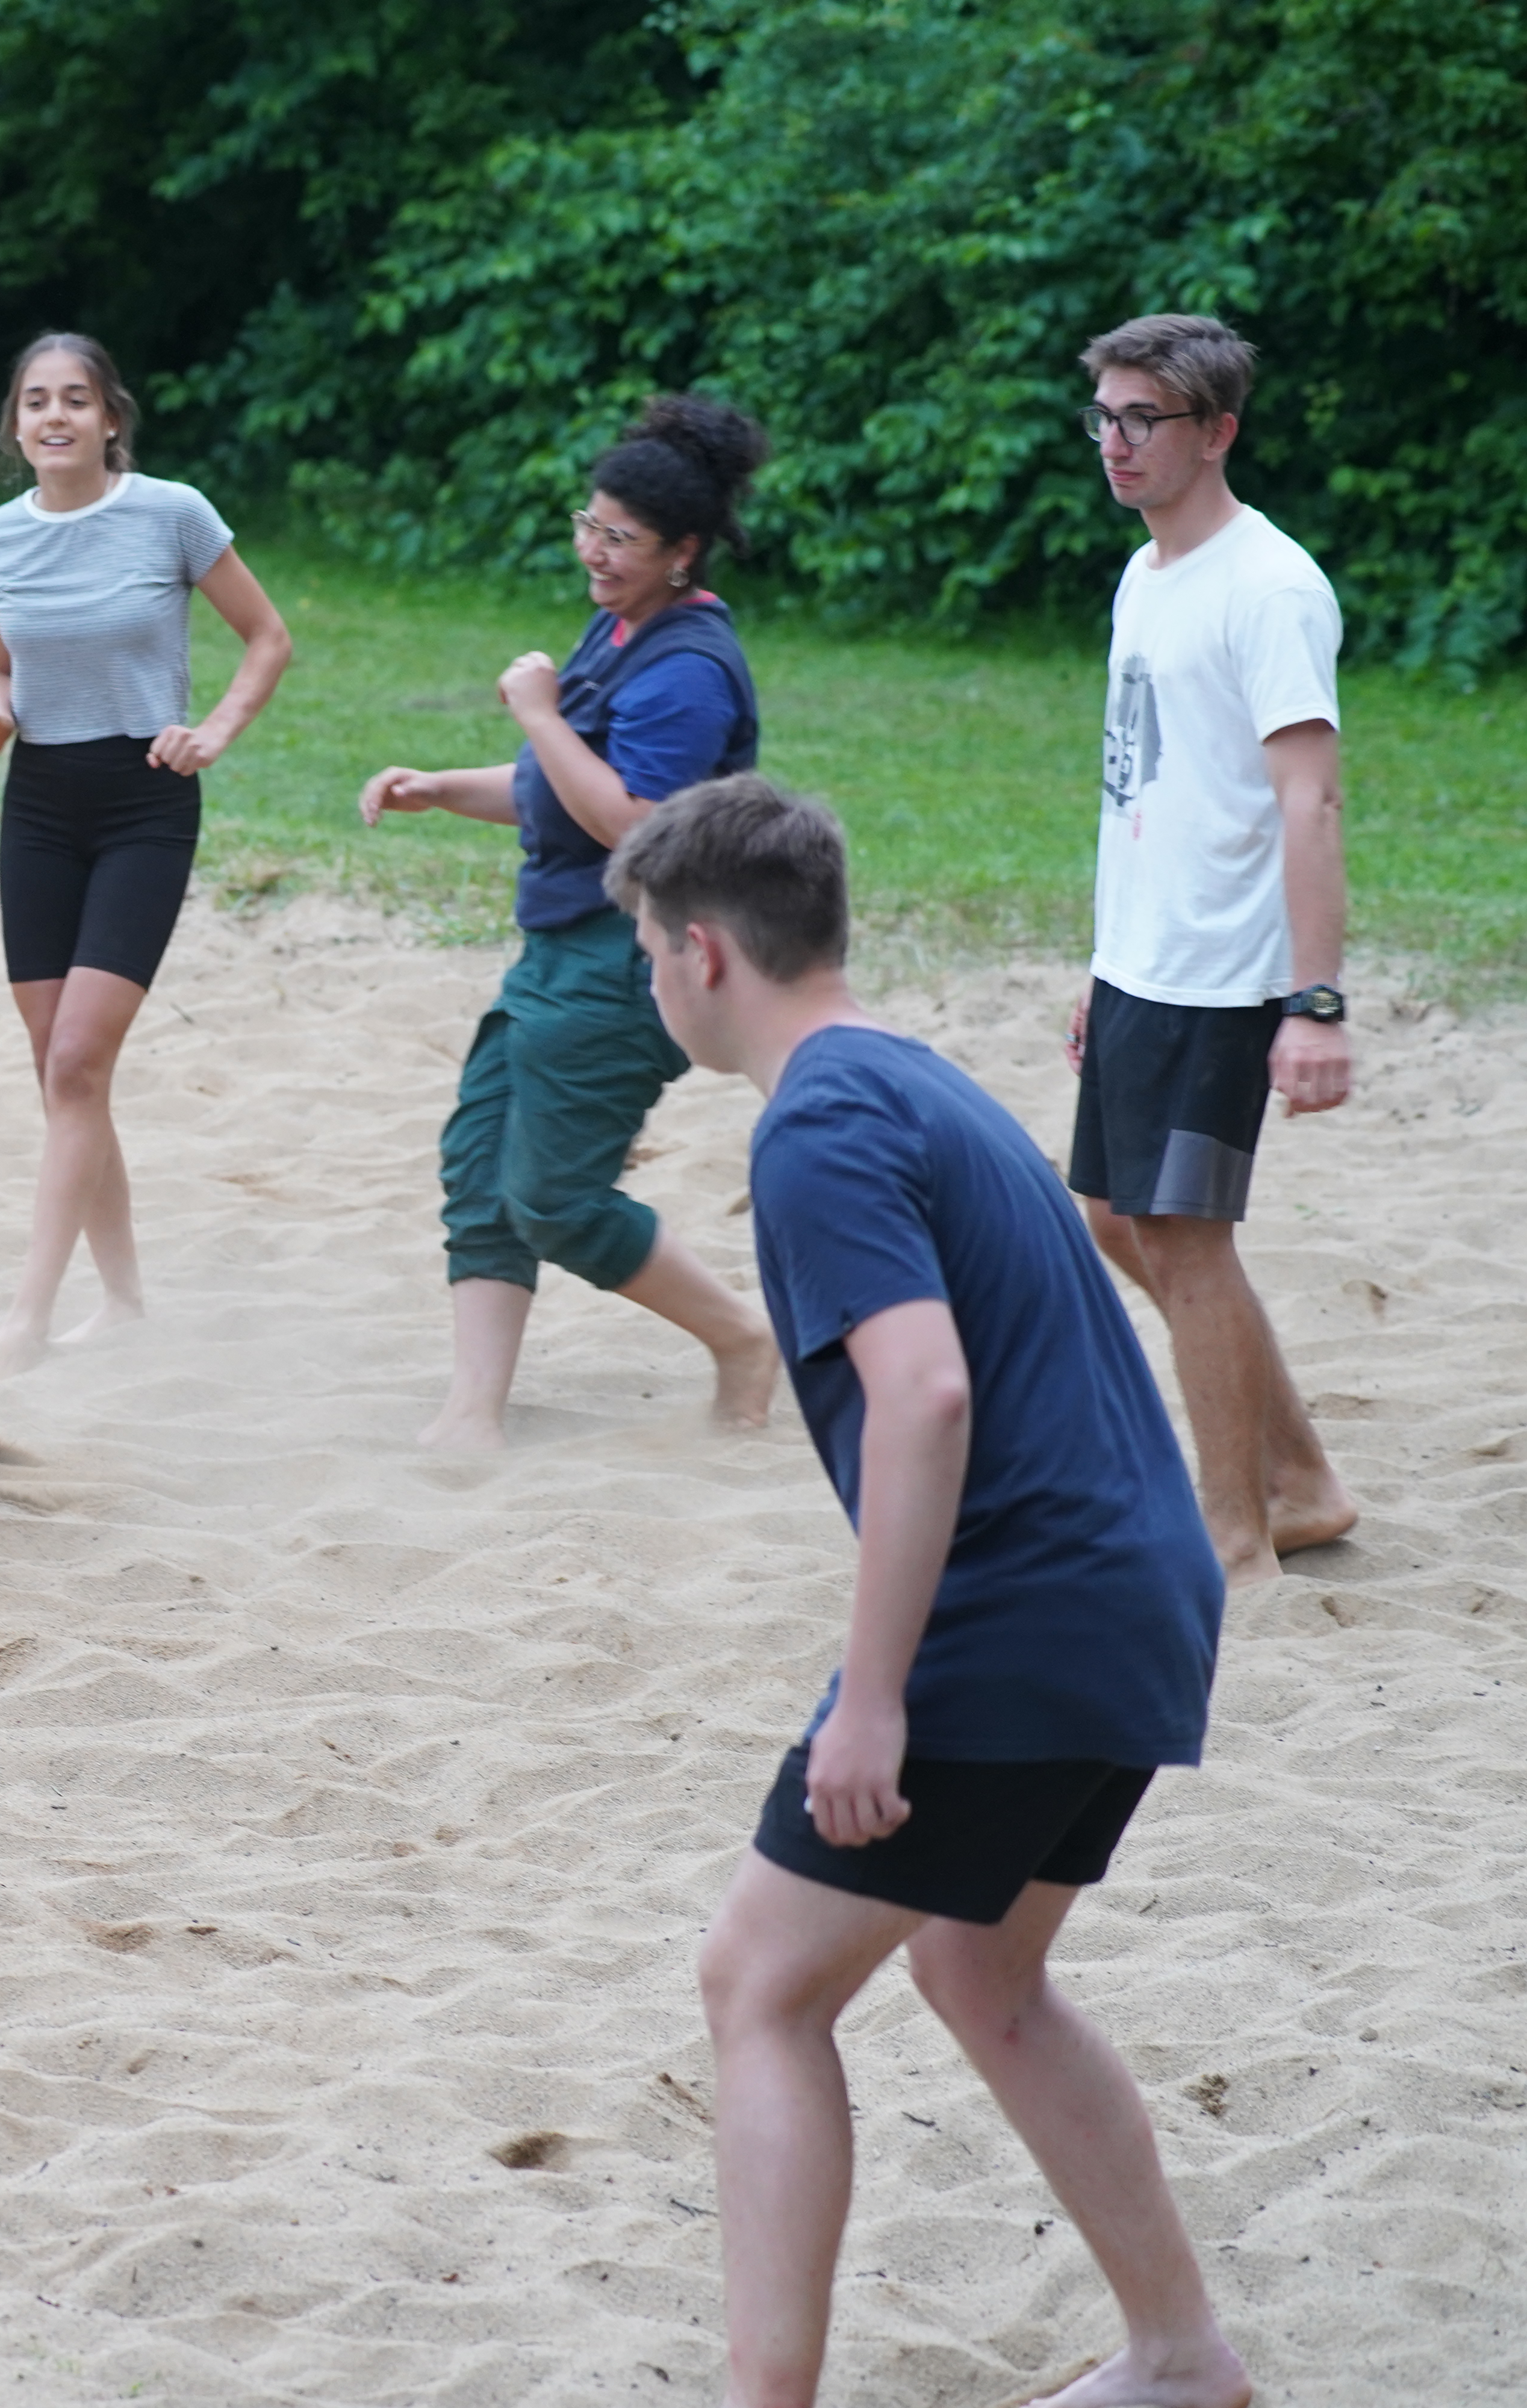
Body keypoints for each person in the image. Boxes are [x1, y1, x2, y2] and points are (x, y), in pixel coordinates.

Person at [614, 775, 1249, 2408]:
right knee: (980, 1966)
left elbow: (929, 1396)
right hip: (1140, 1595)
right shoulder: (907, 1076)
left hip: (1028, 1607)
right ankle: (1181, 2358)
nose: (644, 982)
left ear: (699, 954)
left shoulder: (818, 1122)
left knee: (759, 1982)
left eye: (640, 952)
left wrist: (877, 1695)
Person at [357, 393, 779, 1450]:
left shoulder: (685, 667)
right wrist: (443, 787)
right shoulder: (624, 628)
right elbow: (562, 784)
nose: (593, 549)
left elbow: (634, 822)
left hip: (628, 962)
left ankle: (741, 1338)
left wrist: (539, 711)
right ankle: (475, 1407)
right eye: (589, 524)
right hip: (558, 948)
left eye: (620, 537)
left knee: (552, 1193)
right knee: (481, 1159)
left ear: (683, 551)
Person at [1066, 312, 1358, 1587]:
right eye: (1107, 417)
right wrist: (1101, 967)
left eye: (1146, 420)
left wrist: (1317, 1002)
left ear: (1217, 432)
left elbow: (1312, 800)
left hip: (1228, 979)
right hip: (1144, 965)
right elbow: (1144, 793)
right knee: (1112, 1220)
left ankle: (1236, 1545)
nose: (1117, 443)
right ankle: (1300, 1478)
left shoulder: (1273, 587)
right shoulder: (1145, 574)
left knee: (1187, 1242)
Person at [0, 332, 292, 1385]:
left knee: (77, 1065)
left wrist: (215, 731)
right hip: (40, 804)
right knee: (66, 1077)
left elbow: (266, 636)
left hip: (146, 800)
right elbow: (3, 669)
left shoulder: (172, 515)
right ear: (17, 426)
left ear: (110, 419)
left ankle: (29, 1319)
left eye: (76, 400)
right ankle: (127, 1303)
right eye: (36, 401)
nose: (56, 416)